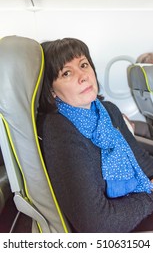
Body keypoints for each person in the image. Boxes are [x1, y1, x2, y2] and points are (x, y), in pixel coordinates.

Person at [37, 38, 153, 233]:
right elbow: (97, 225)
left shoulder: (107, 110)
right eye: (67, 73)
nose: (83, 76)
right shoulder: (59, 130)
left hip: (137, 203)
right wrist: (149, 196)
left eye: (83, 65)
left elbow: (141, 160)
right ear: (52, 90)